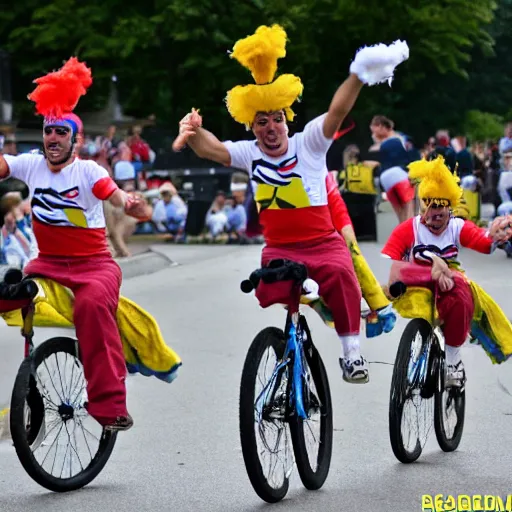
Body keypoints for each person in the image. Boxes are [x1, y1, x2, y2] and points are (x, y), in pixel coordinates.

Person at [172, 24, 409, 383]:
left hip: (323, 243)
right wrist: (192, 130)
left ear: (287, 120)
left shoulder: (309, 143)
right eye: (262, 121)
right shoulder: (249, 153)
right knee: (271, 285)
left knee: (344, 275)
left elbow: (336, 112)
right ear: (252, 127)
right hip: (281, 248)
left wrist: (358, 75)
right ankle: (309, 296)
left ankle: (352, 354)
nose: (271, 128)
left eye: (277, 119)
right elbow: (210, 148)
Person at [0, 57, 149, 431]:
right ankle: (30, 388)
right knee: (8, 292)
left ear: (76, 140)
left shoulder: (88, 171)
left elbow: (114, 196)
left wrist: (131, 204)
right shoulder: (31, 165)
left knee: (91, 307)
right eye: (48, 131)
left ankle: (110, 404)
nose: (52, 138)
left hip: (94, 267)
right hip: (47, 262)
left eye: (61, 132)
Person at [381, 156, 512, 386]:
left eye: (441, 207)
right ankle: (419, 352)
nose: (436, 213)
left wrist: (494, 237)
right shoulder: (408, 228)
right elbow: (394, 263)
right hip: (417, 281)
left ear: (449, 207)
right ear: (423, 206)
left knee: (461, 292)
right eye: (430, 205)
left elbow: (481, 240)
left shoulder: (456, 226)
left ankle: (452, 361)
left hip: (449, 281)